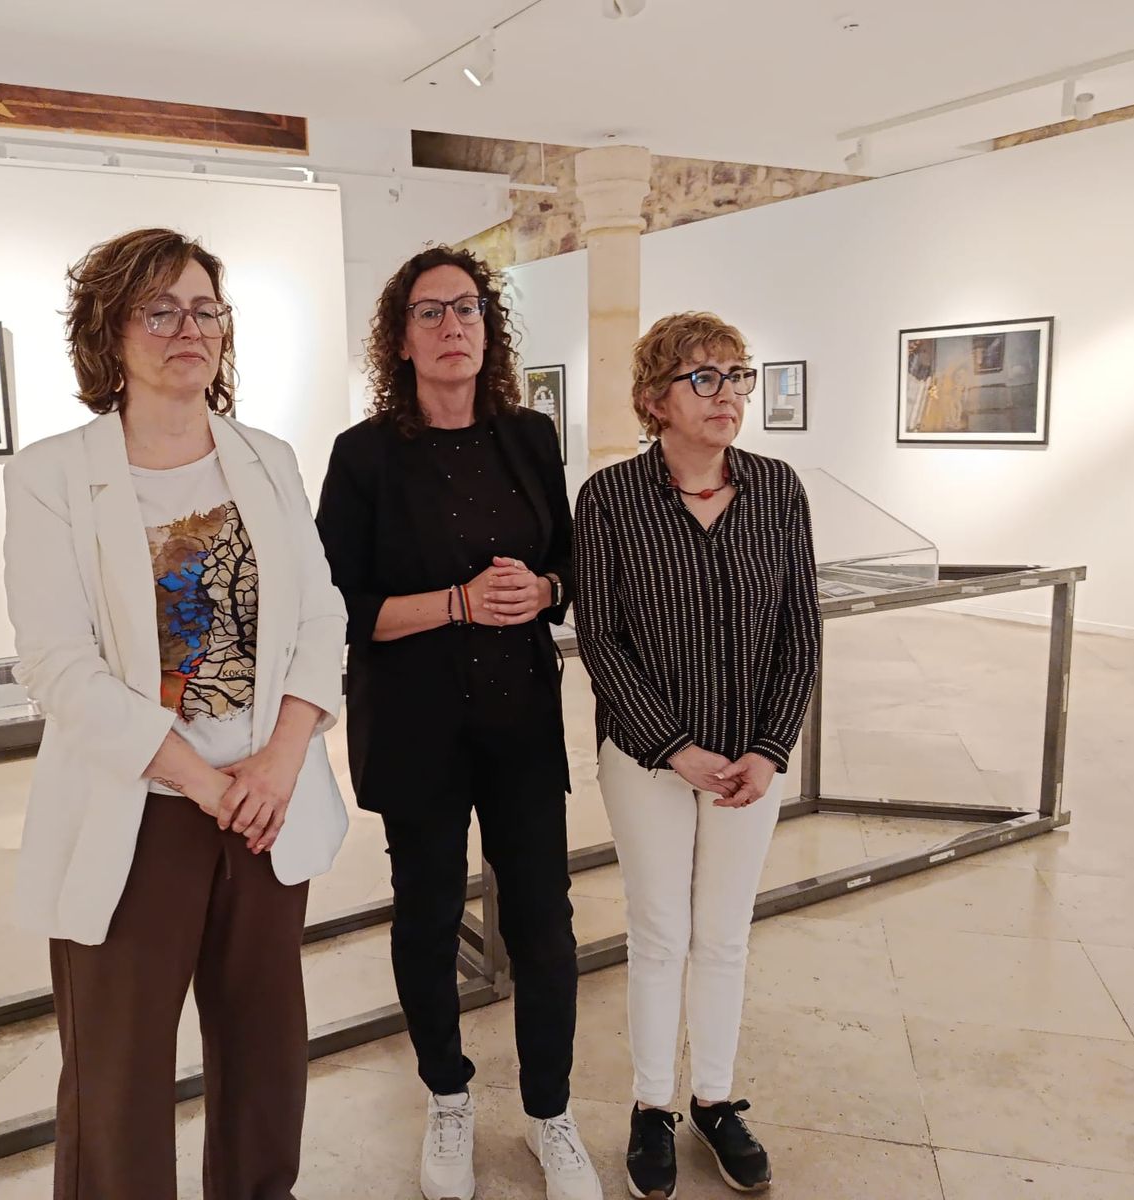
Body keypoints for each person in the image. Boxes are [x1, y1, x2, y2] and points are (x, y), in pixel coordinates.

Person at [2, 227, 349, 1200]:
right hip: (139, 808)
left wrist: (279, 760)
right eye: (158, 309)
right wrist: (204, 780)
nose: (185, 328)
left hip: (266, 806)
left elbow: (321, 618)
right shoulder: (53, 476)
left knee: (266, 1063)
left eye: (203, 309)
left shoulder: (266, 459)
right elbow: (57, 663)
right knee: (116, 1085)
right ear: (110, 335)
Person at [315, 246, 601, 1200]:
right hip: (417, 728)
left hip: (520, 724)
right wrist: (459, 603)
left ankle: (552, 1116)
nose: (452, 327)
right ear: (400, 339)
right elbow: (343, 608)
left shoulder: (531, 436)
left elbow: (567, 569)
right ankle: (447, 1097)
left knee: (545, 925)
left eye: (467, 309)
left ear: (490, 328)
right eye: (430, 313)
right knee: (429, 917)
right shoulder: (365, 455)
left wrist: (546, 588)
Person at [573, 312, 822, 1197]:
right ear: (655, 401)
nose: (727, 395)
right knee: (660, 931)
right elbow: (601, 637)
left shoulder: (777, 489)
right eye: (703, 378)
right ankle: (651, 1108)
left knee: (723, 935)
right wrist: (676, 749)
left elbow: (802, 631)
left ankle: (715, 1100)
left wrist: (769, 748)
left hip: (748, 761)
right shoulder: (610, 499)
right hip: (649, 759)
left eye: (736, 375)